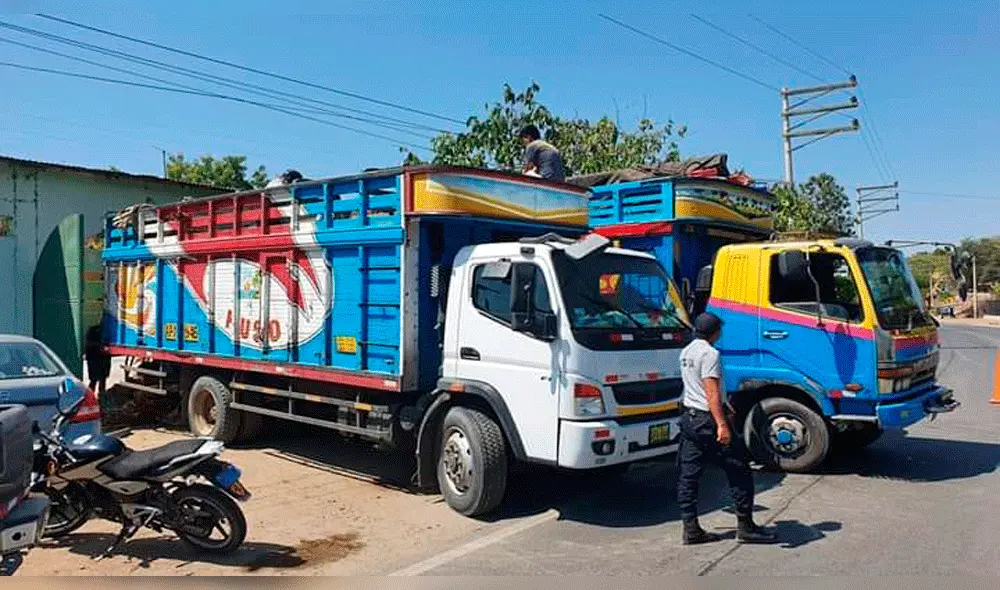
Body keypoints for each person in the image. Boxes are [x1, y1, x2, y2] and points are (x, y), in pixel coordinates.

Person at [676, 312, 776, 545]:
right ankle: (746, 526)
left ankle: (690, 529)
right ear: (714, 332)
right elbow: (710, 391)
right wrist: (722, 424)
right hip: (707, 420)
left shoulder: (687, 351)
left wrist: (726, 405)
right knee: (739, 469)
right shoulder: (710, 353)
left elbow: (696, 388)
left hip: (690, 419)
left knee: (689, 475)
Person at [84, 325, 111, 395]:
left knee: (99, 381)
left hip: (100, 360)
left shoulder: (104, 330)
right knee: (95, 381)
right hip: (96, 359)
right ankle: (93, 396)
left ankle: (99, 396)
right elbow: (89, 344)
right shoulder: (94, 331)